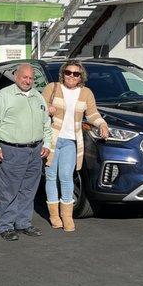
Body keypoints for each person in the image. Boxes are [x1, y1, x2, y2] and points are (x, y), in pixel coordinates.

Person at [0, 63, 52, 241]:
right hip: (12, 150)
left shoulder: (38, 96)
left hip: (35, 150)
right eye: (25, 77)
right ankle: (5, 225)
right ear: (17, 77)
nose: (28, 81)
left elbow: (46, 123)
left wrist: (47, 143)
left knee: (29, 189)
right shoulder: (5, 95)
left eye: (31, 78)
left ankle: (23, 223)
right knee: (9, 190)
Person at [41, 60, 109, 232]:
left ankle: (67, 216)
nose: (71, 76)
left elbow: (92, 113)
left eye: (76, 74)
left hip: (71, 141)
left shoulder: (86, 93)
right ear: (63, 73)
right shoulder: (52, 88)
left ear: (81, 77)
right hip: (52, 140)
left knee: (66, 177)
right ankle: (54, 216)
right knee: (51, 177)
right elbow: (38, 107)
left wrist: (102, 124)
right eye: (68, 72)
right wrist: (47, 109)